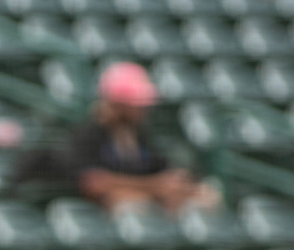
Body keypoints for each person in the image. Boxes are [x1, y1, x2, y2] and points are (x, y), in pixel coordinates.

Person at [67, 61, 218, 214]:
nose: (142, 108)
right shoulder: (88, 134)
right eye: (134, 103)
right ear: (116, 103)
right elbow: (94, 183)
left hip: (145, 194)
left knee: (206, 195)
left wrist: (178, 181)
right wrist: (155, 185)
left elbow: (158, 166)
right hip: (105, 210)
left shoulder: (138, 133)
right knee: (132, 206)